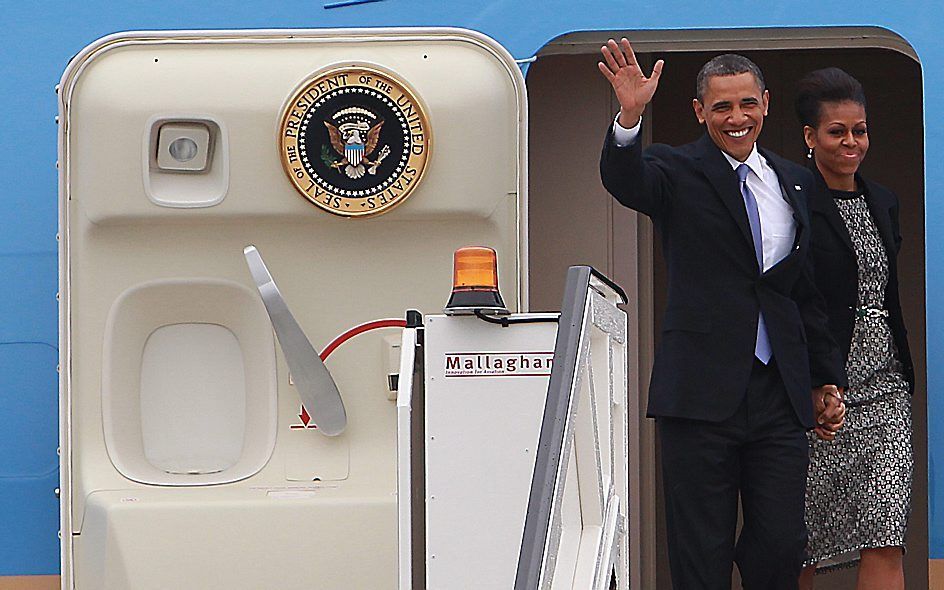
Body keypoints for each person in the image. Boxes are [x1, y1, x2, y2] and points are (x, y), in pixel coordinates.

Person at [596, 39, 846, 589]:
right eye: (722, 107)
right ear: (699, 112)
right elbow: (626, 180)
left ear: (766, 103)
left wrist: (825, 379)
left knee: (780, 543)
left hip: (778, 392)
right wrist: (630, 116)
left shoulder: (793, 180)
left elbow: (802, 291)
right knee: (700, 551)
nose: (737, 118)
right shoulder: (673, 168)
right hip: (700, 394)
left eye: (747, 104)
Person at [795, 67, 914, 590]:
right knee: (803, 540)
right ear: (810, 136)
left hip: (886, 388)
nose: (851, 142)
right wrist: (815, 381)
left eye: (859, 130)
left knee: (885, 532)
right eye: (836, 131)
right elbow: (796, 298)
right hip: (821, 391)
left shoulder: (882, 201)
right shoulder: (792, 202)